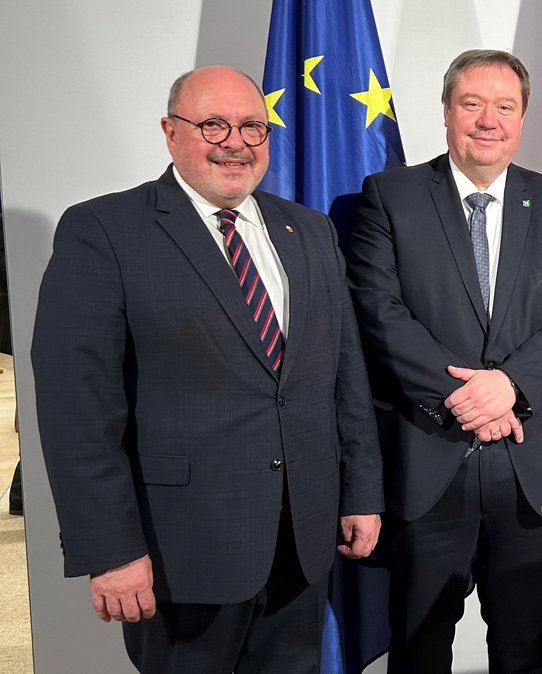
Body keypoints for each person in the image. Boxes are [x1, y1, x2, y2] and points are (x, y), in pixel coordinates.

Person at [30, 65, 384, 673]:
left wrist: (361, 492)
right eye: (213, 124)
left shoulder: (309, 231)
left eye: (253, 127)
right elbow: (77, 408)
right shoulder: (104, 231)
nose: (236, 142)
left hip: (301, 540)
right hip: (180, 550)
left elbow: (345, 375)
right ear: (170, 133)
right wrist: (111, 551)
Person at [345, 49, 542, 673]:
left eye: (505, 106)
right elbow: (379, 313)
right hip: (431, 454)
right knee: (420, 644)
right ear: (445, 112)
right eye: (472, 104)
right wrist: (467, 398)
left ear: (521, 118)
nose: (488, 119)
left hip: (529, 461)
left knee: (523, 644)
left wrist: (509, 387)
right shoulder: (390, 197)